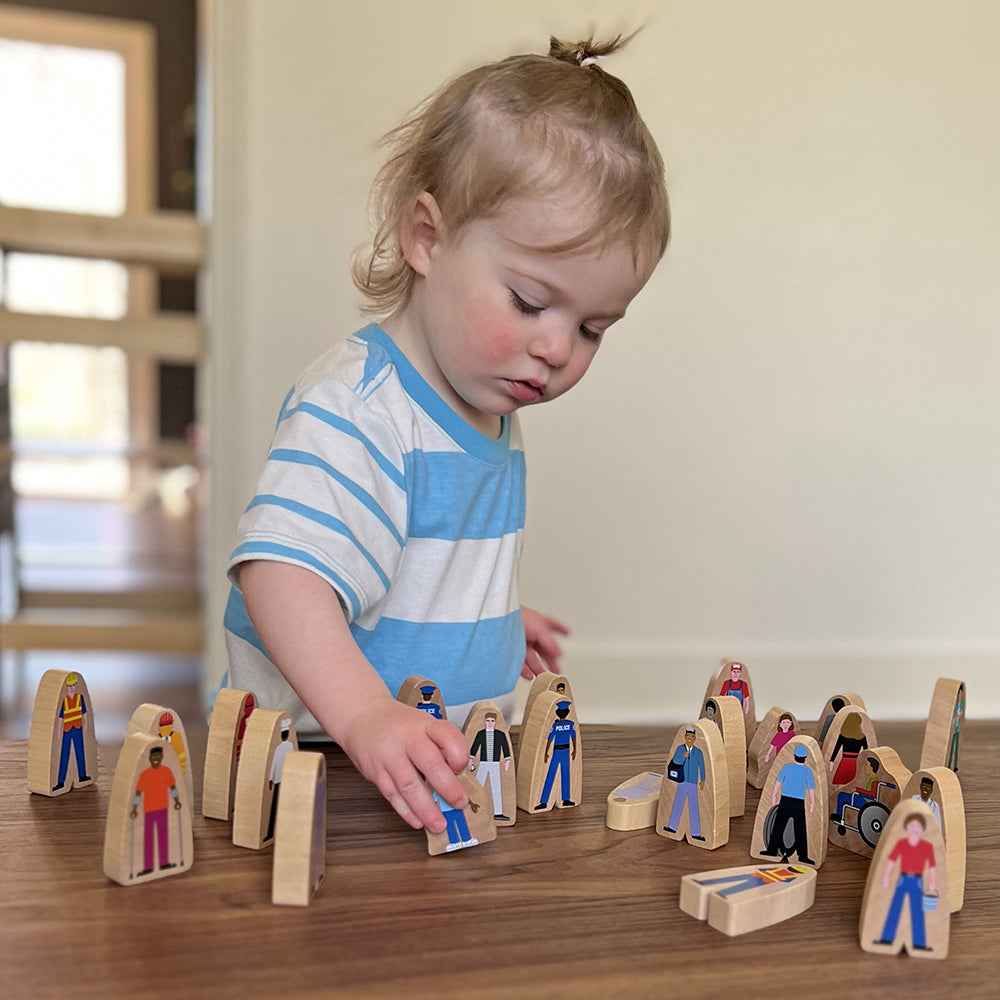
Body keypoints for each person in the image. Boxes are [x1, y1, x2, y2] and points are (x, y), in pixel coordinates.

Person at [223, 34, 670, 835]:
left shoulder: (485, 400)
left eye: (595, 327)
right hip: (329, 773)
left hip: (435, 774)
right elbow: (280, 574)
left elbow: (406, 545)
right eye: (531, 303)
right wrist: (364, 715)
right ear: (427, 238)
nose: (558, 347)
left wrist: (486, 610)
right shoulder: (362, 406)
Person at [874, 812, 937, 952]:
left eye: (917, 826)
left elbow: (932, 865)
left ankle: (919, 943)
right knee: (894, 908)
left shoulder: (927, 846)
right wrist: (886, 877)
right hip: (902, 879)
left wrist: (932, 882)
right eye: (912, 826)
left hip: (917, 881)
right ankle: (887, 938)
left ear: (922, 829)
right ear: (907, 828)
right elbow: (891, 860)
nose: (914, 829)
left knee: (917, 911)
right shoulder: (901, 843)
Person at [760, 744, 815, 864]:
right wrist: (812, 802)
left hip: (785, 799)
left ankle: (772, 850)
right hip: (799, 801)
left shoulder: (787, 767)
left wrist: (774, 795)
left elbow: (778, 782)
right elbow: (811, 788)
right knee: (800, 829)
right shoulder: (807, 771)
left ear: (794, 756)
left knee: (779, 825)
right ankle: (803, 856)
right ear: (805, 758)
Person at [131, 746, 182, 876]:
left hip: (162, 809)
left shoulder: (166, 771)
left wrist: (176, 800)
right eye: (154, 757)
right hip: (148, 810)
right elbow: (138, 793)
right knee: (148, 838)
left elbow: (172, 787)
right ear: (149, 758)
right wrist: (134, 808)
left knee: (163, 836)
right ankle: (148, 866)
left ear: (162, 757)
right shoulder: (145, 774)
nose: (156, 759)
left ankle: (164, 863)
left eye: (159, 757)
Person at [469, 710, 513, 821]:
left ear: (495, 722)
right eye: (487, 721)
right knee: (478, 785)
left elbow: (505, 748)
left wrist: (507, 761)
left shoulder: (500, 734)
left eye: (492, 721)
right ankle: (473, 809)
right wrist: (471, 759)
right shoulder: (481, 734)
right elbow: (474, 747)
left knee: (496, 787)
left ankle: (498, 812)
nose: (489, 723)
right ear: (484, 721)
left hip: (495, 764)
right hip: (483, 763)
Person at [663, 727, 706, 841]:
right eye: (688, 736)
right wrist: (683, 757)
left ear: (695, 738)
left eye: (692, 737)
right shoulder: (680, 749)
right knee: (678, 802)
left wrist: (703, 779)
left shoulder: (698, 752)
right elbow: (675, 761)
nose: (690, 739)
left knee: (693, 805)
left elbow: (701, 766)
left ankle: (696, 833)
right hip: (682, 780)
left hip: (692, 782)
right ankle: (672, 827)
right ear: (685, 737)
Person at [52, 673, 92, 791]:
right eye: (70, 686)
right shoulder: (64, 701)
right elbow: (61, 718)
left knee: (80, 752)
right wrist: (59, 731)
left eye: (74, 685)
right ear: (66, 687)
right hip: (67, 730)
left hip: (78, 728)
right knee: (64, 754)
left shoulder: (80, 698)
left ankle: (82, 776)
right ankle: (60, 781)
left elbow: (84, 714)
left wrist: (85, 725)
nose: (72, 688)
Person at [828, 712, 868, 785]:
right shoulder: (862, 737)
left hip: (845, 762)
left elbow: (836, 749)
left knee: (841, 784)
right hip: (855, 763)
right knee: (854, 784)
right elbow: (866, 752)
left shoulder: (842, 735)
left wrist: (831, 761)